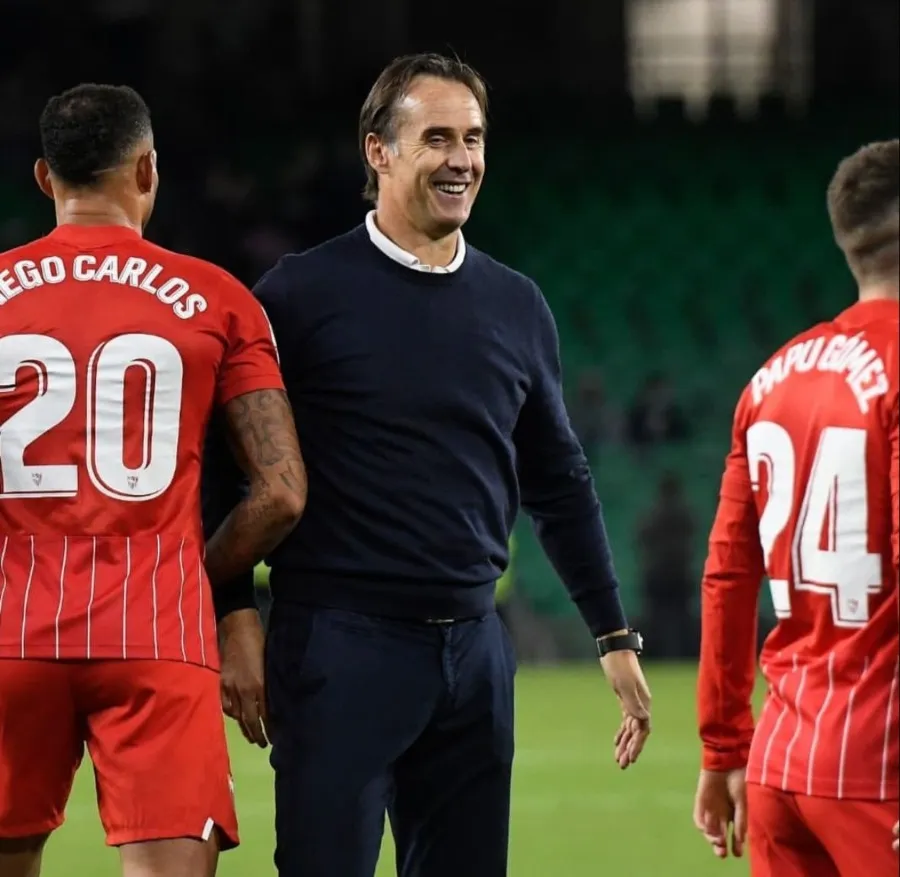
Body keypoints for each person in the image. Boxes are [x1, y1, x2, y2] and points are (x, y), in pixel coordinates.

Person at [205, 52, 652, 877]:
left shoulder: (516, 303)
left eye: (474, 139)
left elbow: (559, 480)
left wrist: (612, 632)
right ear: (378, 151)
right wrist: (233, 613)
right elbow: (221, 473)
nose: (462, 159)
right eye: (438, 137)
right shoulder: (297, 296)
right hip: (339, 644)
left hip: (476, 652)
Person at [0, 84, 306, 877]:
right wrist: (200, 583)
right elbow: (281, 492)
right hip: (156, 634)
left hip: (10, 631)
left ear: (44, 178)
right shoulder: (219, 300)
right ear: (147, 169)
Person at [693, 139, 899, 877]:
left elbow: (727, 576)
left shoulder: (772, 377)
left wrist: (724, 746)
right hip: (882, 765)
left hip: (783, 759)